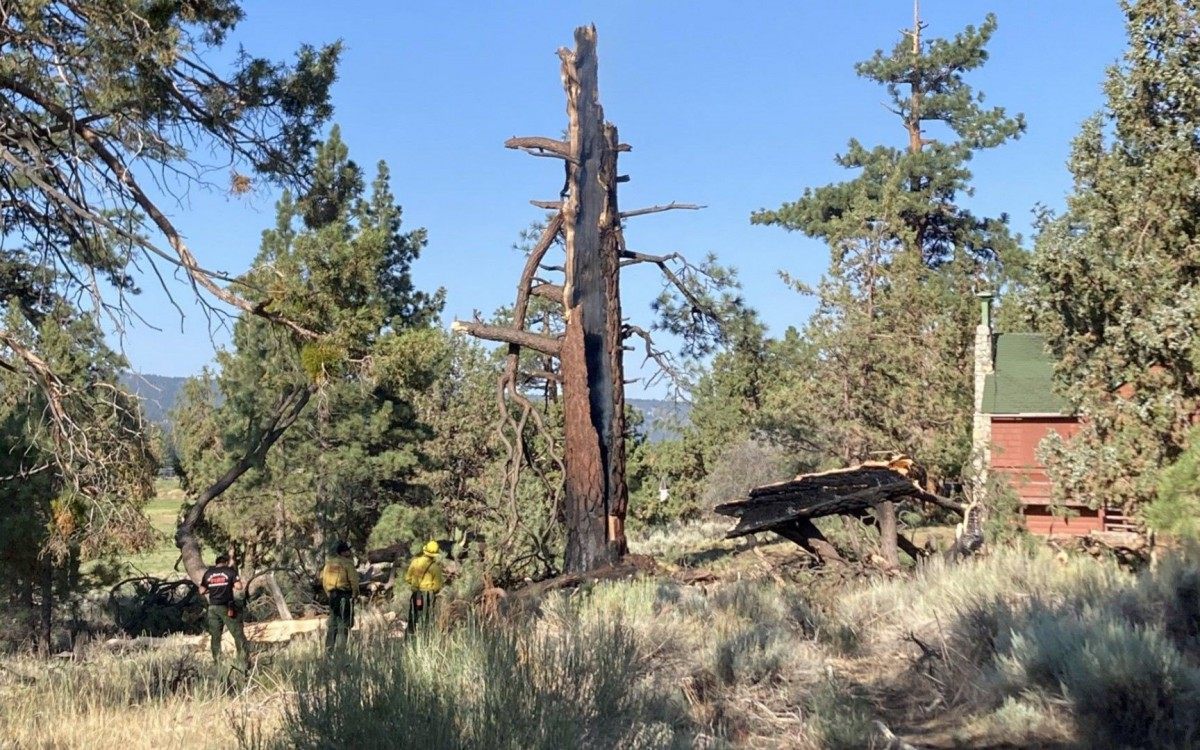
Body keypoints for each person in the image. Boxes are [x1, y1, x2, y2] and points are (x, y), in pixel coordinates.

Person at [198, 553, 249, 672]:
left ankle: (217, 662)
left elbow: (201, 591)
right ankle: (243, 661)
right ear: (225, 562)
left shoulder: (209, 573)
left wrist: (211, 589)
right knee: (238, 634)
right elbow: (239, 586)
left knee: (215, 637)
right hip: (227, 607)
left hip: (212, 608)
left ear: (216, 563)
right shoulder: (230, 572)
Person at [321, 540, 360, 654]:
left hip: (333, 596)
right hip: (345, 595)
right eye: (348, 550)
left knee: (333, 623)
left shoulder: (329, 564)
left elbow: (324, 581)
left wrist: (330, 595)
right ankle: (341, 651)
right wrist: (354, 595)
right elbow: (354, 581)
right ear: (344, 552)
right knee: (344, 623)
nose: (349, 552)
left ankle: (329, 650)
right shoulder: (347, 563)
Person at [404, 540, 444, 634]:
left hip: (416, 594)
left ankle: (410, 636)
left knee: (413, 616)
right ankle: (425, 638)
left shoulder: (415, 562)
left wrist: (415, 583)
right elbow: (437, 586)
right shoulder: (435, 568)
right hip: (428, 595)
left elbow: (408, 578)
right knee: (427, 618)